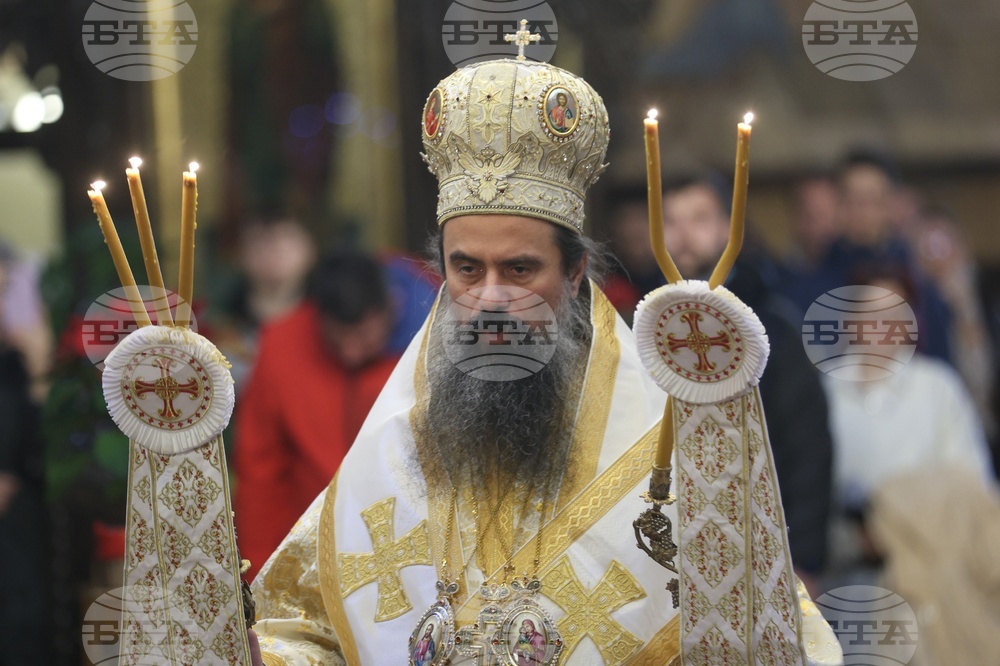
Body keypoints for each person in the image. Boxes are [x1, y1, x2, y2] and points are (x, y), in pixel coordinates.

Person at [247, 56, 840, 665]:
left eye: (521, 270)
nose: (491, 300)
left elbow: (768, 635)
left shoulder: (664, 439)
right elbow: (298, 627)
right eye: (467, 269)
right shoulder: (397, 441)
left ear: (576, 272)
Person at [661, 173, 836, 592]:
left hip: (762, 539)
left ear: (727, 226)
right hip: (671, 542)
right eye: (670, 220)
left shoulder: (770, 326)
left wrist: (806, 558)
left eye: (699, 219)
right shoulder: (643, 324)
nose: (684, 235)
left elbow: (807, 445)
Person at [235, 249, 431, 579]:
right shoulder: (281, 346)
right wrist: (259, 573)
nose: (351, 353)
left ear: (393, 306)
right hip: (312, 558)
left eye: (364, 337)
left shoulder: (430, 347)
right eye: (339, 339)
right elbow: (261, 471)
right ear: (318, 317)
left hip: (417, 553)